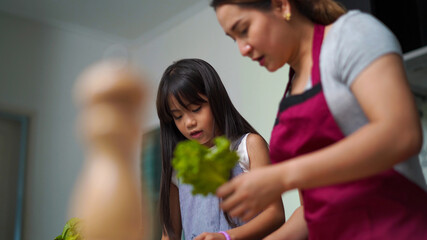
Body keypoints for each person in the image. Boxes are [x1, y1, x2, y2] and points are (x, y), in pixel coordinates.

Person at [210, 0, 427, 239]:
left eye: (243, 30)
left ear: (282, 6)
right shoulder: (292, 90)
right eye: (233, 39)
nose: (242, 49)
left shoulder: (351, 34)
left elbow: (400, 134)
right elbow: (311, 211)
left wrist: (281, 176)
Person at [156, 58, 285, 240]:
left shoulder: (248, 146)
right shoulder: (178, 167)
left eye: (196, 108)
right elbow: (169, 234)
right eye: (178, 117)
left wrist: (226, 236)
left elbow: (275, 214)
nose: (189, 123)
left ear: (216, 99)